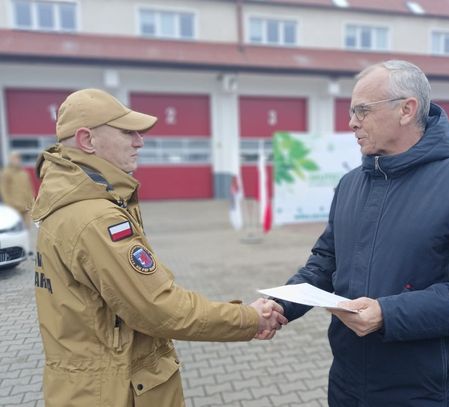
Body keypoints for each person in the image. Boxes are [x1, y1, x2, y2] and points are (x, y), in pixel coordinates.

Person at [274, 60, 449, 406]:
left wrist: (389, 314)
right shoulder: (351, 184)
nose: (352, 122)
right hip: (348, 385)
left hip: (429, 392)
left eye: (362, 110)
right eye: (351, 111)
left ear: (407, 109)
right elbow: (325, 262)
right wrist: (280, 304)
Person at [31, 88, 287, 407]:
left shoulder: (75, 200)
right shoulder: (95, 217)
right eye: (127, 132)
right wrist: (249, 318)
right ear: (87, 140)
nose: (140, 141)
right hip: (113, 391)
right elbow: (159, 308)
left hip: (86, 386)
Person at [0, 151, 34, 226]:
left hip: (26, 208)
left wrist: (32, 202)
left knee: (27, 229)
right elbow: (4, 191)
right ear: (10, 159)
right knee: (16, 230)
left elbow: (30, 189)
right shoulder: (6, 173)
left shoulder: (24, 173)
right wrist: (9, 205)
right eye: (14, 158)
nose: (17, 160)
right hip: (14, 208)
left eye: (18, 158)